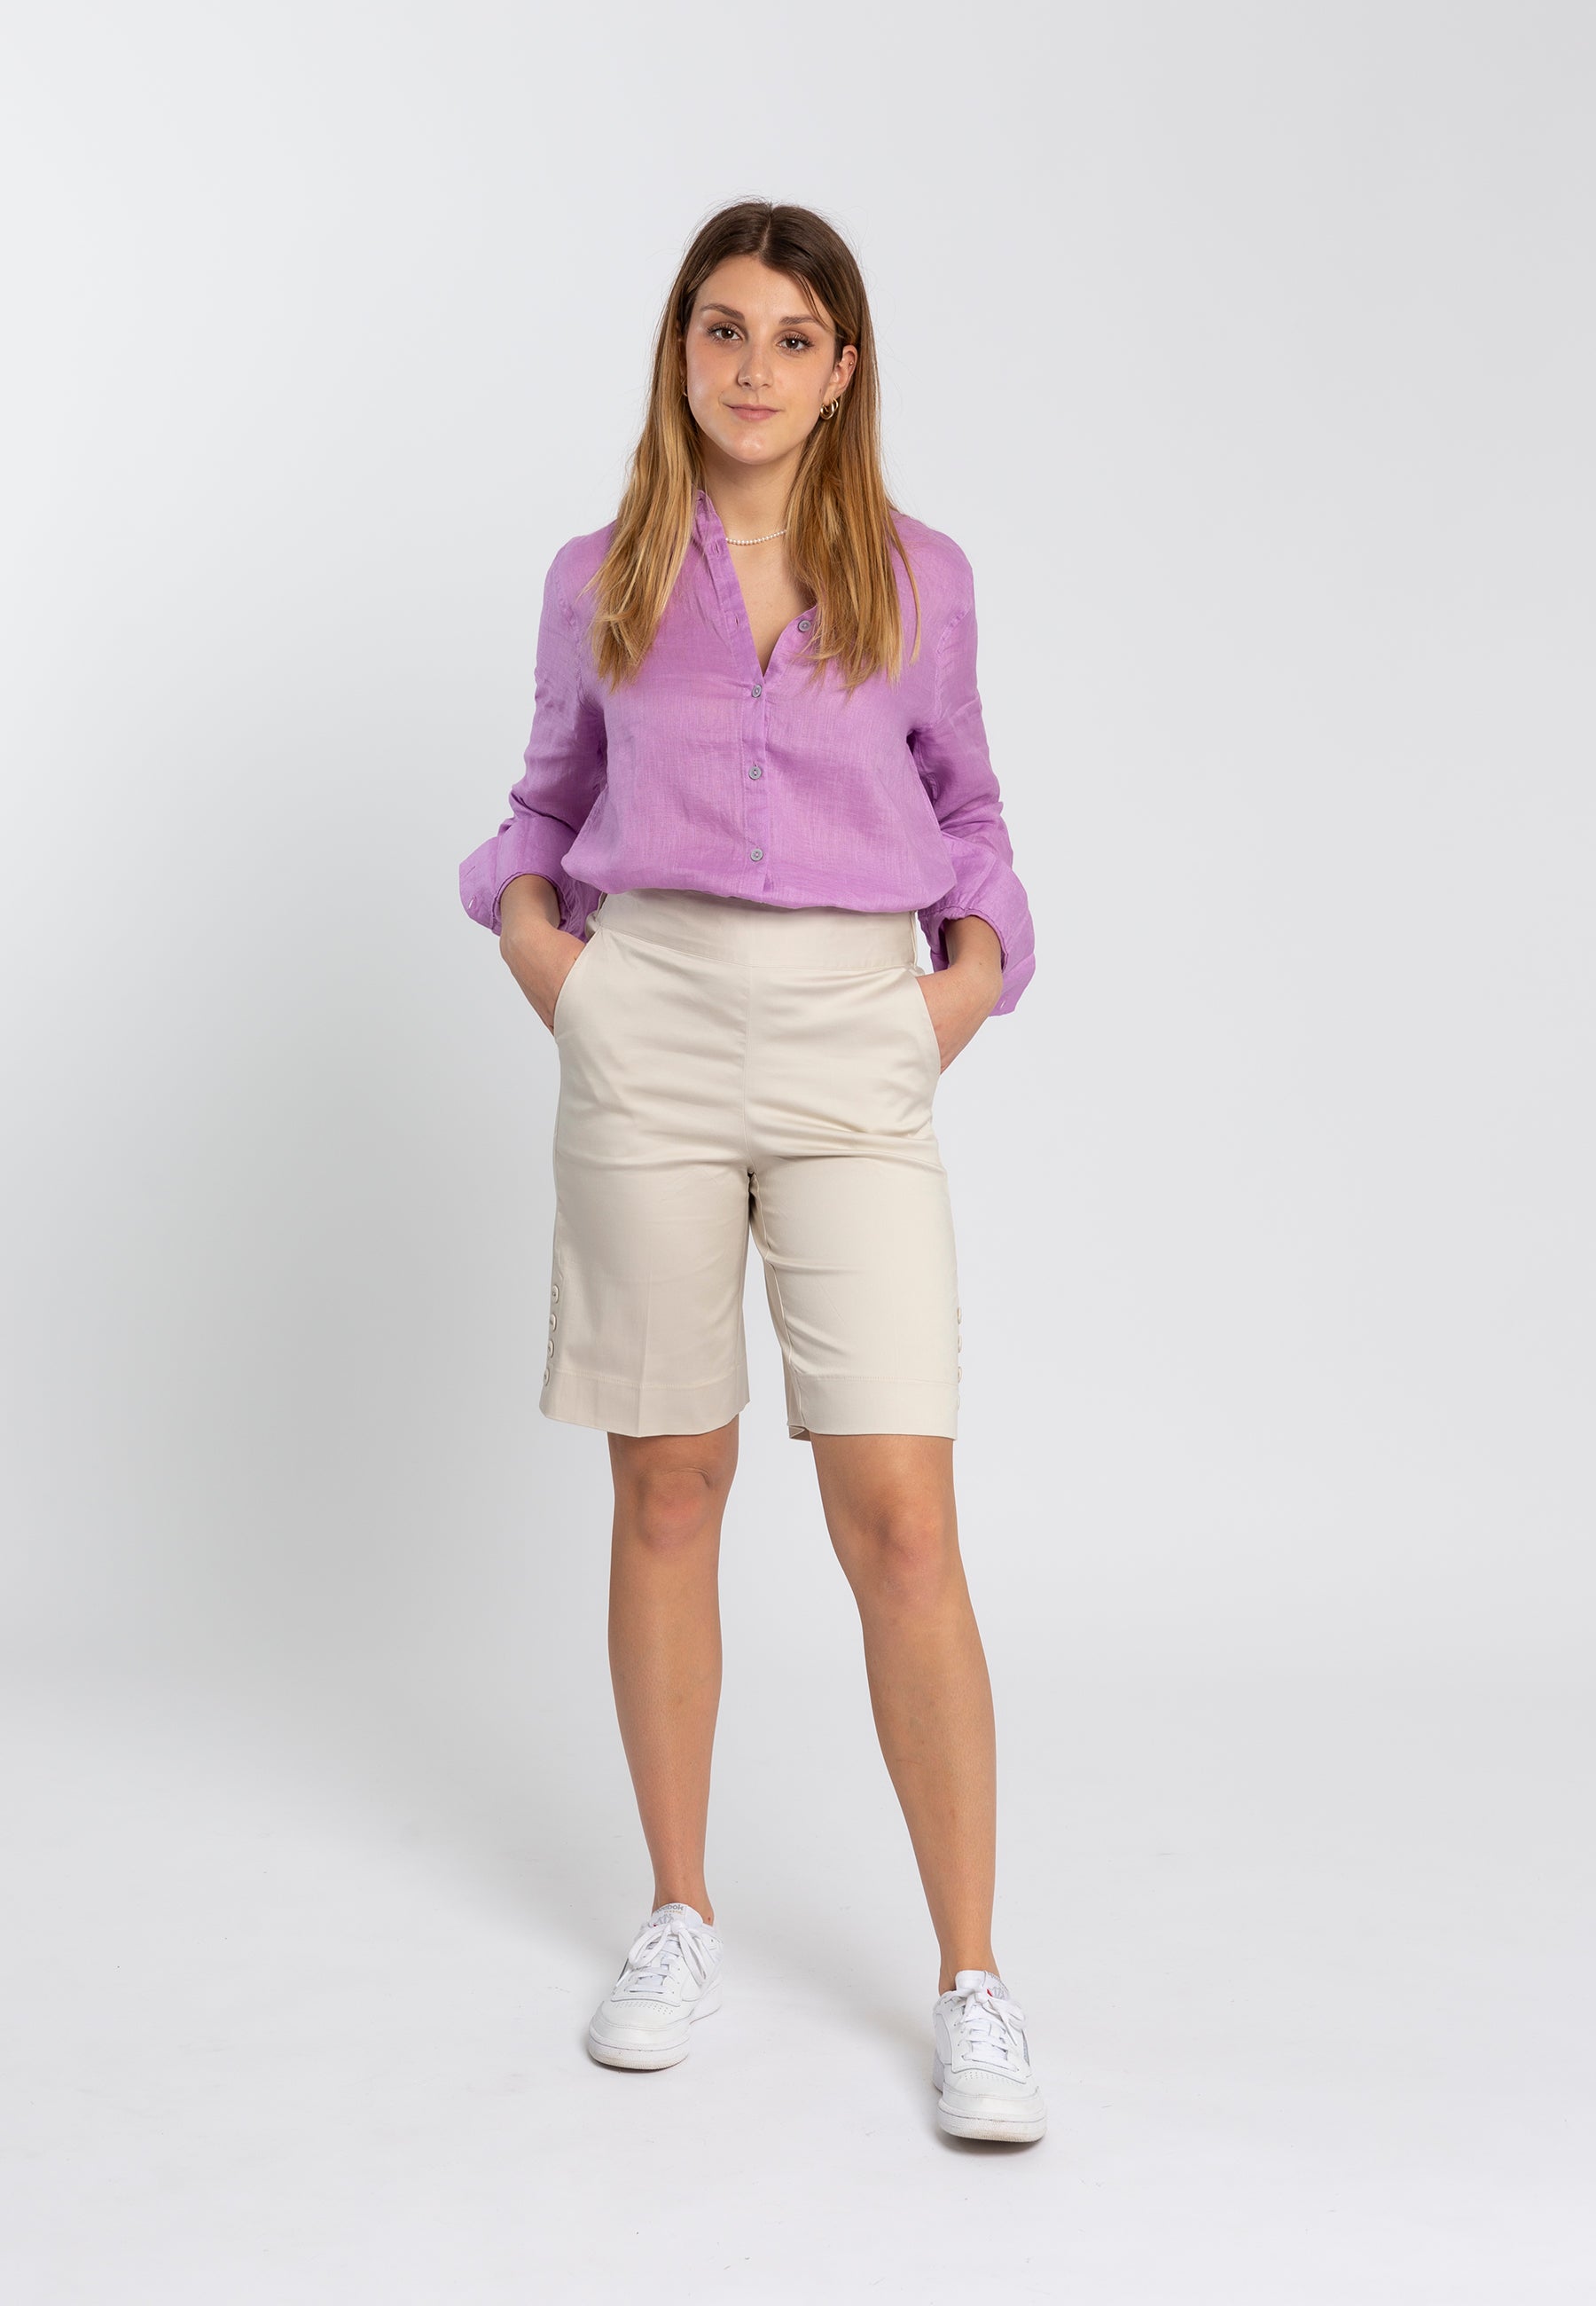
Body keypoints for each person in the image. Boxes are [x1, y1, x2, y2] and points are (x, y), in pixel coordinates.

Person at [458, 200, 1044, 2144]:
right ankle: (678, 1912)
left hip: (855, 1028)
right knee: (669, 1483)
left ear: (844, 369)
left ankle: (972, 1977)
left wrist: (957, 993)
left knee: (900, 1514)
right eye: (723, 329)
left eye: (795, 336)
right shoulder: (603, 573)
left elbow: (971, 811)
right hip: (651, 1018)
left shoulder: (924, 576)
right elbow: (545, 801)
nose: (755, 367)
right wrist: (557, 969)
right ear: (680, 351)